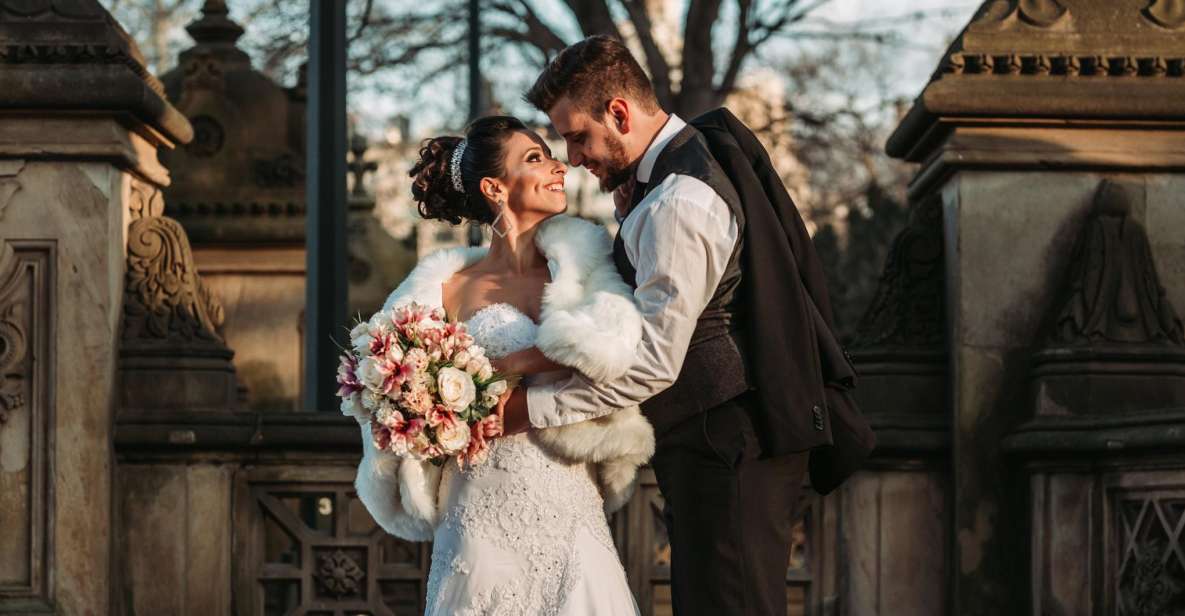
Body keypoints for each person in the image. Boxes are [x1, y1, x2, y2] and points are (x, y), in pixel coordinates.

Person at [495, 35, 865, 616]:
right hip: (719, 442)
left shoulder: (678, 202)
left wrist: (527, 412)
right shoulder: (674, 178)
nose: (572, 157)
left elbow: (654, 360)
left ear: (619, 111)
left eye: (577, 137)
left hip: (730, 446)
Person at [351, 115, 651, 615]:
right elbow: (391, 399)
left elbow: (619, 354)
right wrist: (427, 414)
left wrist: (509, 364)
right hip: (475, 506)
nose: (559, 166)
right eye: (536, 158)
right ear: (494, 186)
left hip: (568, 498)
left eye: (552, 155)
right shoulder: (442, 289)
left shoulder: (587, 271)